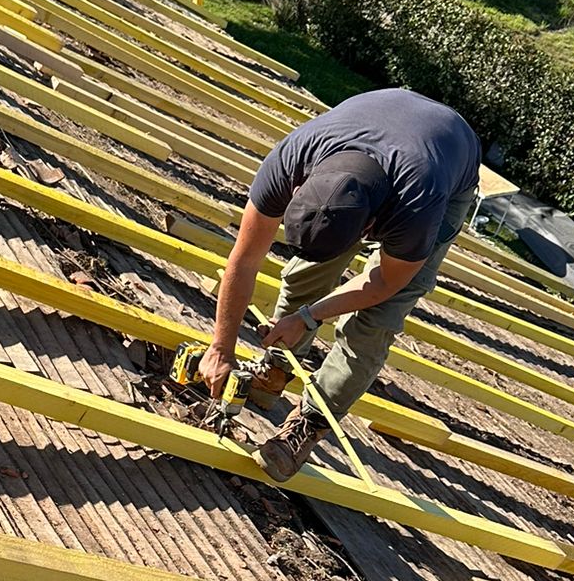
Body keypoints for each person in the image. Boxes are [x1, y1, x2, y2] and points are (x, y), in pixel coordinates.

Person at [199, 88, 481, 481]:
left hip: (449, 159)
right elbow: (244, 260)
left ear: (369, 229)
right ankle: (276, 368)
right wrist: (221, 347)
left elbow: (382, 284)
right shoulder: (288, 162)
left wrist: (310, 317)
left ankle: (309, 423)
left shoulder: (417, 206)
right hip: (385, 122)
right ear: (298, 190)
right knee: (304, 275)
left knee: (376, 321)